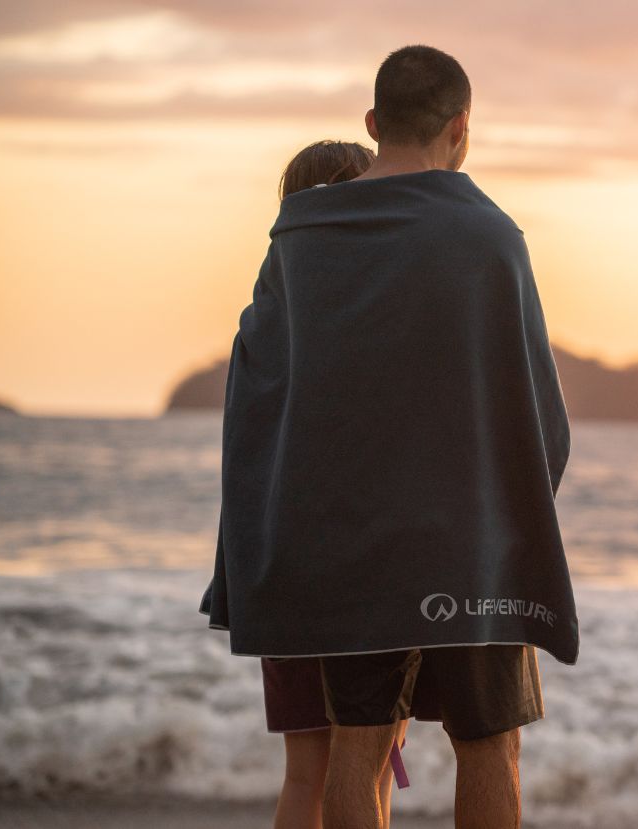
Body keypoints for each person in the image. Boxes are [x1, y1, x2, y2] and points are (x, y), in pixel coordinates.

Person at [200, 44, 577, 829]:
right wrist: (515, 513)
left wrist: (274, 537)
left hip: (346, 546)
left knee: (358, 750)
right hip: (471, 549)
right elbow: (540, 414)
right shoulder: (491, 237)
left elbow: (259, 392)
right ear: (462, 127)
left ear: (373, 124)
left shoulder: (300, 240)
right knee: (489, 747)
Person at [263, 139, 412, 829]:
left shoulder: (269, 315)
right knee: (370, 762)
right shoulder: (372, 317)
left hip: (286, 568)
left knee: (308, 774)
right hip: (368, 569)